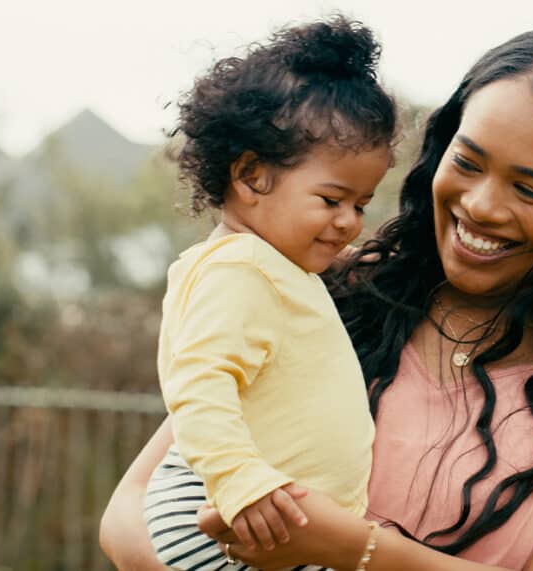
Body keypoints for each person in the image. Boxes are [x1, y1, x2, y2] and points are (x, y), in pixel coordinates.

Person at [101, 25, 533, 571]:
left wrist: (352, 549)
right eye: (467, 163)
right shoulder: (319, 293)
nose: (481, 206)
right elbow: (132, 509)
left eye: (529, 189)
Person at [139, 15, 397, 571]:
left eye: (361, 204)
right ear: (252, 175)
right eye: (332, 200)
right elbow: (199, 383)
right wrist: (241, 481)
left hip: (257, 512)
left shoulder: (273, 268)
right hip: (234, 514)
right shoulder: (240, 271)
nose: (350, 221)